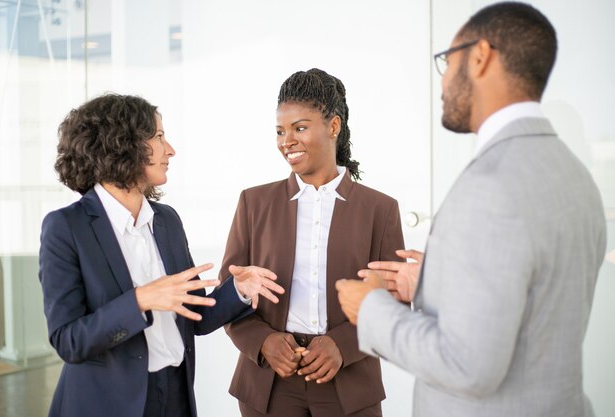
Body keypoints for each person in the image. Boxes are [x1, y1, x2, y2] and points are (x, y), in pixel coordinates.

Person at [336, 2, 607, 417]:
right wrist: (435, 281)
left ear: (480, 56)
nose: (443, 82)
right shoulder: (574, 175)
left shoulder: (491, 185)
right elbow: (532, 294)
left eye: (447, 61)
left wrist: (370, 309)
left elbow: (467, 366)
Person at [38, 94, 284, 417]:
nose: (170, 150)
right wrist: (140, 300)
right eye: (158, 137)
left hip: (175, 397)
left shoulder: (166, 220)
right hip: (108, 405)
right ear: (123, 143)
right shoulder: (66, 228)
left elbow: (196, 316)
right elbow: (68, 340)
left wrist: (238, 290)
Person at [220, 68, 405, 417]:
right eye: (280, 131)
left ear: (333, 126)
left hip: (348, 384)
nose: (286, 140)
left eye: (300, 128)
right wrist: (263, 342)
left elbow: (394, 302)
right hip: (270, 383)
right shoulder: (254, 203)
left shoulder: (380, 209)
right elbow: (230, 293)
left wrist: (343, 346)